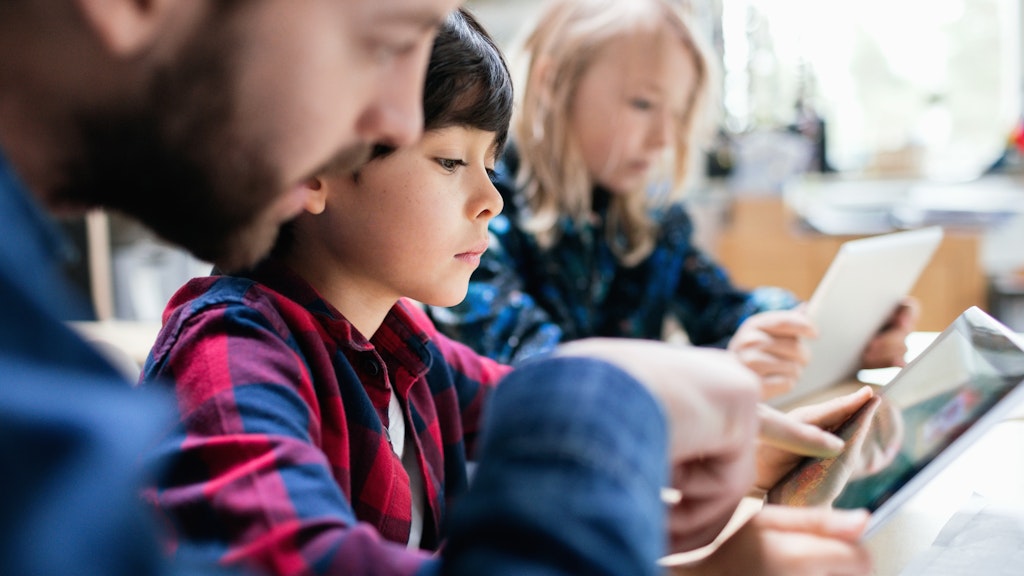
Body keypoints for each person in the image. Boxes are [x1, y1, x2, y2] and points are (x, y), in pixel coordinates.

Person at [0, 2, 871, 576]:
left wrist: (754, 440)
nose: (376, 123)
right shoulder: (229, 343)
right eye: (374, 48)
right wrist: (604, 393)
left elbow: (520, 398)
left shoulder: (406, 349)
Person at [425, 0, 917, 399]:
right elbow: (529, 361)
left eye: (679, 114)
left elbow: (724, 308)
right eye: (643, 104)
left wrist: (813, 330)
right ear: (555, 84)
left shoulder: (649, 213)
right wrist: (712, 369)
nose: (665, 137)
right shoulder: (481, 202)